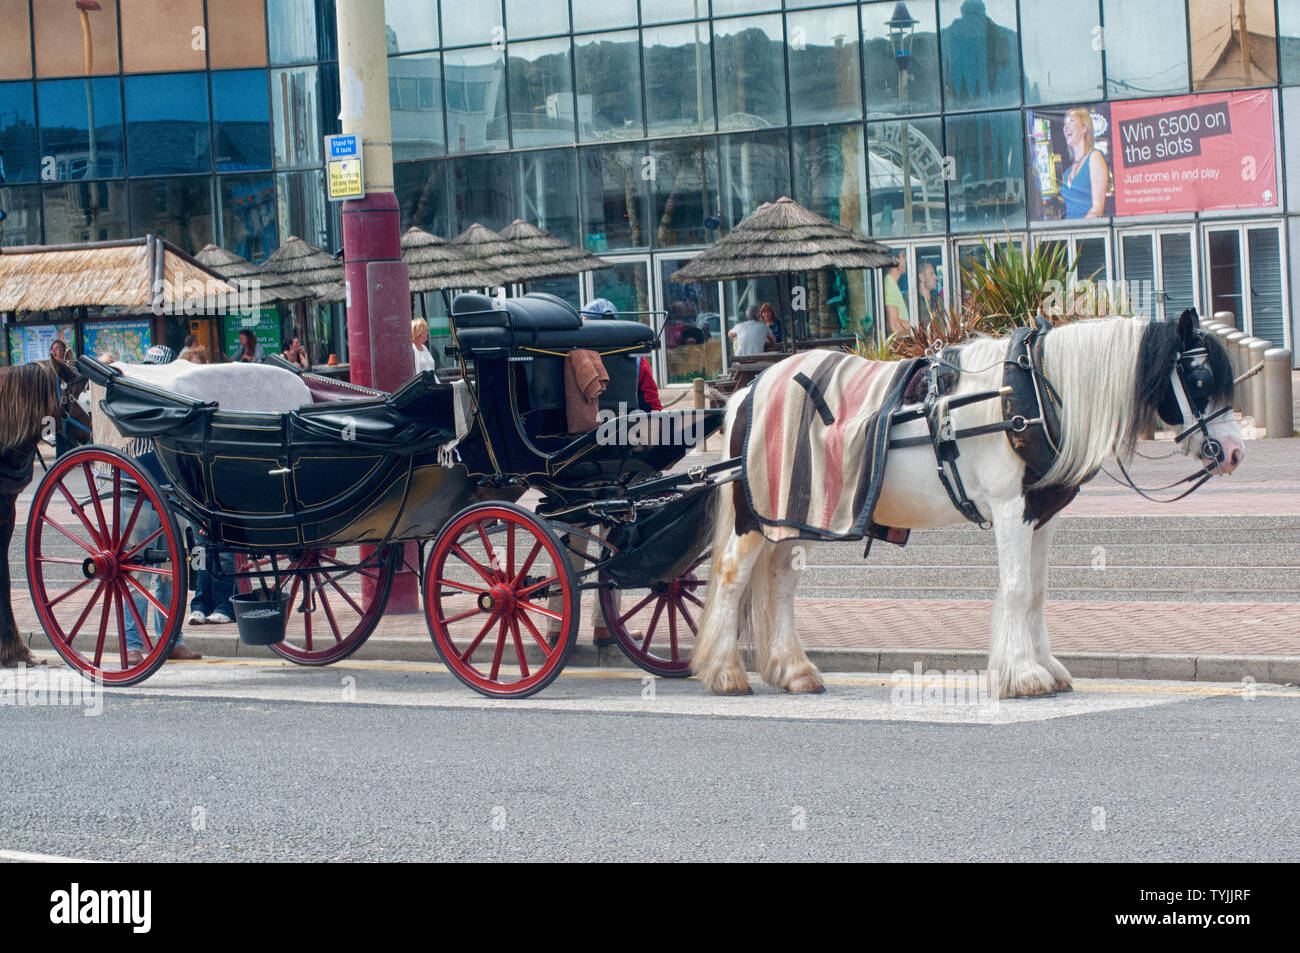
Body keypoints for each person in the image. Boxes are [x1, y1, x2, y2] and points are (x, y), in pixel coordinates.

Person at [120, 345, 202, 664]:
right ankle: (132, 642)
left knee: (172, 571)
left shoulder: (177, 405)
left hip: (171, 494)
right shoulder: (135, 405)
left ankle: (171, 639)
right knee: (139, 571)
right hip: (137, 492)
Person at [1060, 107, 1109, 219]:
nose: (1066, 127)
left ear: (1084, 128)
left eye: (1071, 121)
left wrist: (1079, 231)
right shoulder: (1068, 172)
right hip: (1069, 234)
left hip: (1086, 233)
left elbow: (1097, 209)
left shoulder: (1094, 158)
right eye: (1065, 123)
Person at [883, 255, 911, 336]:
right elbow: (893, 326)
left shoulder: (893, 284)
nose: (906, 259)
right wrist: (916, 324)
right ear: (894, 259)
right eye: (903, 256)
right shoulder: (889, 285)